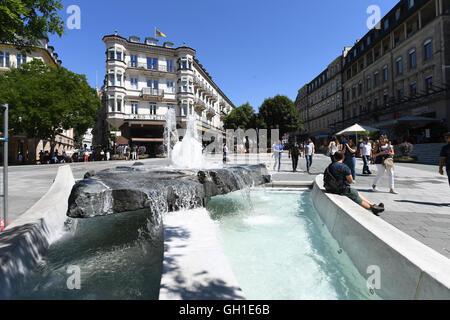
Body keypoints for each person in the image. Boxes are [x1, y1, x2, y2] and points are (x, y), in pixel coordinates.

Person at [326, 152, 385, 216]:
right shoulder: (344, 167)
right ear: (343, 157)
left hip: (330, 188)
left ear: (334, 157)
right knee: (356, 197)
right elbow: (351, 181)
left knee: (355, 192)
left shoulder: (330, 165)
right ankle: (372, 209)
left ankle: (372, 205)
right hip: (340, 189)